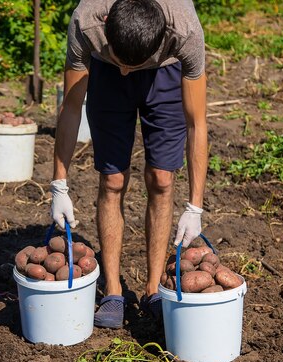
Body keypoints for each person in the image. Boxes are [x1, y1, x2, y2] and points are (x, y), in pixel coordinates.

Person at [50, 0, 208, 329]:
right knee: (112, 180)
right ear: (107, 23)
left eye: (131, 66)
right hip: (104, 77)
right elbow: (71, 106)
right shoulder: (86, 21)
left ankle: (153, 291)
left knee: (162, 179)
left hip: (163, 72)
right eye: (122, 62)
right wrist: (59, 184)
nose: (126, 71)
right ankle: (113, 291)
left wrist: (195, 206)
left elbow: (197, 123)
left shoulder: (185, 30)